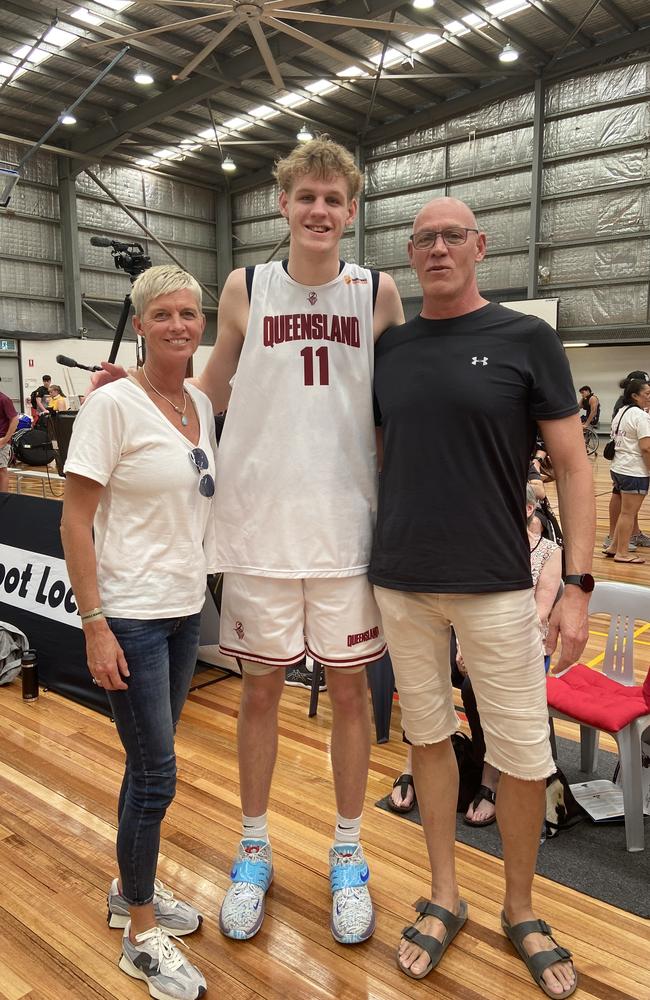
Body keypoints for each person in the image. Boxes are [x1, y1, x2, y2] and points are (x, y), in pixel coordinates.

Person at [370, 197, 593, 996]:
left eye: (452, 236)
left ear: (480, 247)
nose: (437, 248)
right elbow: (383, 456)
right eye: (424, 238)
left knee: (525, 757)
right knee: (429, 741)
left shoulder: (527, 339)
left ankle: (522, 907)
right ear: (410, 251)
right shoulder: (389, 348)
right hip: (402, 583)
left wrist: (575, 583)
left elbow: (573, 466)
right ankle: (444, 894)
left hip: (499, 587)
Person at [197, 137, 404, 946]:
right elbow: (210, 391)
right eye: (305, 197)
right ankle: (254, 847)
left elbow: (401, 406)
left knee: (351, 694)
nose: (319, 210)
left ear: (351, 211)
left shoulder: (379, 293)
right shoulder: (245, 287)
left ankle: (347, 854)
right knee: (258, 692)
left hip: (350, 533)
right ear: (281, 204)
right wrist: (142, 392)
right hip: (259, 532)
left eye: (334, 199)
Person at [61, 265, 216, 1000]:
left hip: (185, 612)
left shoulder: (198, 404)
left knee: (144, 765)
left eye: (189, 312)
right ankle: (140, 934)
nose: (180, 325)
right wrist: (94, 624)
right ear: (142, 322)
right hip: (128, 615)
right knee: (157, 776)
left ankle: (130, 890)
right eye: (164, 314)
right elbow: (75, 520)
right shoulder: (113, 406)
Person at [603, 377, 650, 564]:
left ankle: (614, 546)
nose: (649, 397)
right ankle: (623, 553)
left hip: (618, 467)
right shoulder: (641, 416)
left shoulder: (622, 412)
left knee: (625, 512)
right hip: (634, 470)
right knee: (628, 514)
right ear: (634, 395)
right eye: (647, 393)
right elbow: (646, 447)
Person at [0, 383, 19, 493]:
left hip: (1, 441)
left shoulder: (4, 399)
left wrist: (5, 439)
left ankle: (3, 500)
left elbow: (14, 419)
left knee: (1, 471)